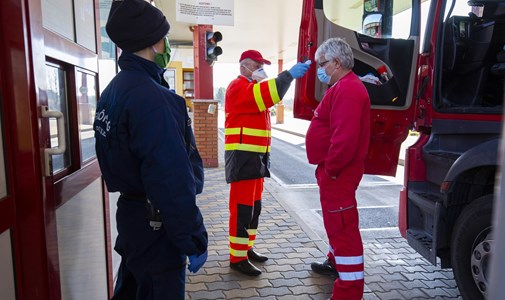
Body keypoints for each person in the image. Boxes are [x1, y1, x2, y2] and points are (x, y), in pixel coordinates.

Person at [94, 0, 208, 299]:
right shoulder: (154, 99)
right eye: (164, 36)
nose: (166, 43)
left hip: (132, 222)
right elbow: (171, 180)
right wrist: (193, 238)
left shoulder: (114, 90)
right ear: (154, 43)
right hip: (157, 229)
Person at [224, 50, 310, 276]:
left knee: (254, 208)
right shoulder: (238, 86)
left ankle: (247, 248)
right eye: (257, 65)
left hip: (256, 158)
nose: (261, 68)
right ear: (244, 67)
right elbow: (269, 93)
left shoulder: (251, 88)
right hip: (243, 158)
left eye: (263, 65)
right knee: (242, 209)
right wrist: (288, 75)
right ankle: (237, 257)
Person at [305, 37, 370, 300]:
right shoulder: (342, 87)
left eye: (322, 64)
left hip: (338, 176)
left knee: (344, 232)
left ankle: (348, 292)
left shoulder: (348, 90)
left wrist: (330, 170)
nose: (320, 69)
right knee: (337, 228)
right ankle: (335, 262)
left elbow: (344, 141)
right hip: (334, 175)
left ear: (336, 62)